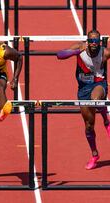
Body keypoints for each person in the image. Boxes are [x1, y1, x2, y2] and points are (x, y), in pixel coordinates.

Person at [57, 29, 110, 170]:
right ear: (87, 41)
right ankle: (95, 154)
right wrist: (77, 52)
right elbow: (60, 55)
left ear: (100, 42)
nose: (93, 43)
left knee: (95, 99)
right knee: (89, 125)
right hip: (83, 90)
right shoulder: (80, 47)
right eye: (91, 40)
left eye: (96, 41)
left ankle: (105, 117)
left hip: (99, 84)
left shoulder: (104, 53)